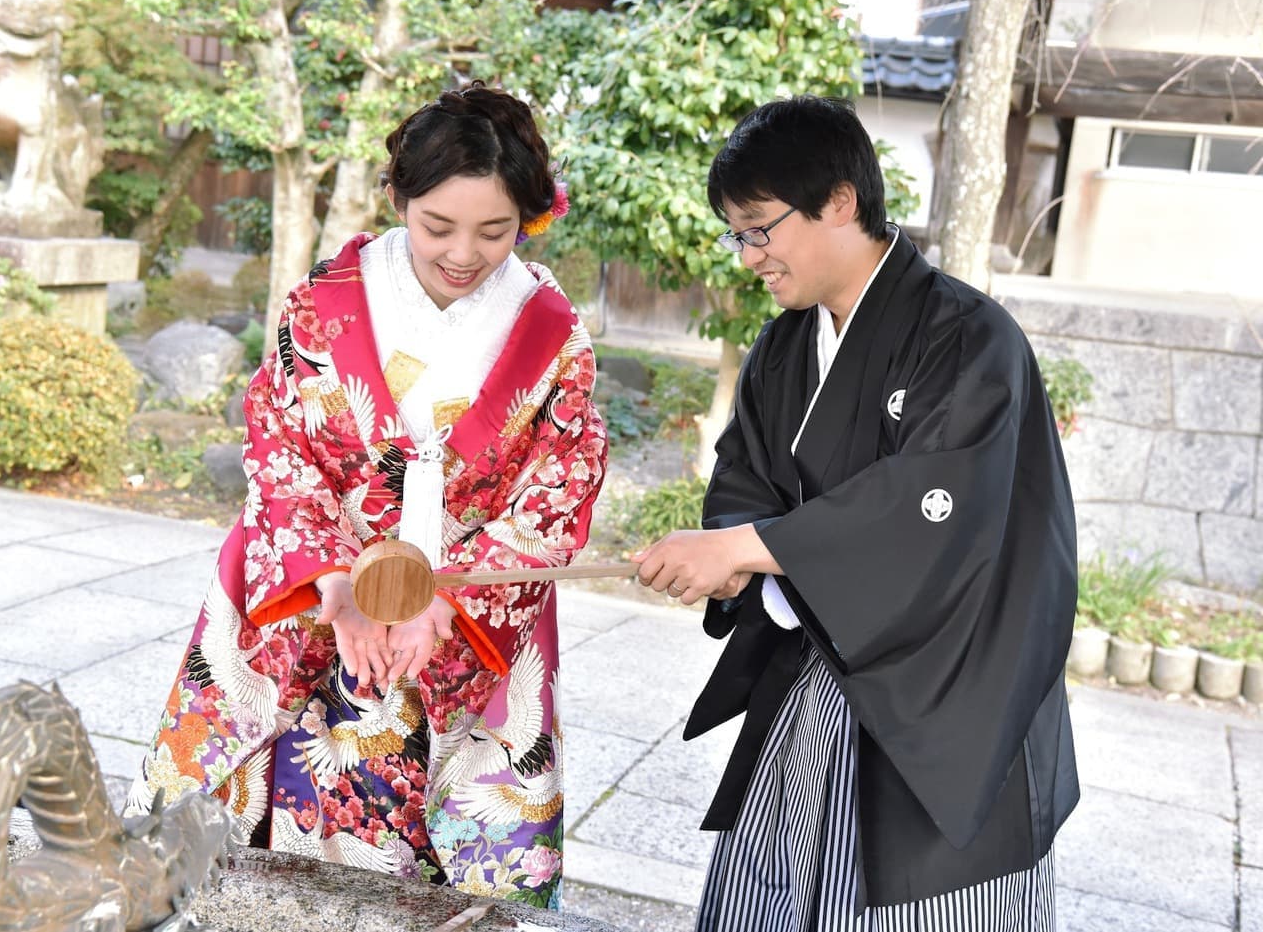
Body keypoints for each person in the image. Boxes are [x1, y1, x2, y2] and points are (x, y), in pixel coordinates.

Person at [126, 82, 607, 910]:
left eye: (494, 231)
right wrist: (338, 589)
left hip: (466, 618)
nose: (464, 251)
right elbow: (279, 448)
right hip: (314, 599)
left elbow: (560, 485)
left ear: (526, 221)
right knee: (250, 845)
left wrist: (443, 602)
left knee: (454, 882)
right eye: (437, 226)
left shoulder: (552, 332)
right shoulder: (323, 305)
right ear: (398, 199)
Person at [633, 95, 1078, 931]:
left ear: (839, 201)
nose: (747, 255)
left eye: (759, 227)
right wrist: (737, 551)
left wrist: (755, 546)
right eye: (737, 233)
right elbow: (745, 482)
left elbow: (938, 510)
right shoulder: (783, 345)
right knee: (774, 895)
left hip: (950, 693)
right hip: (815, 670)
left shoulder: (969, 338)